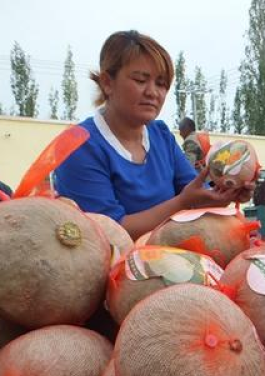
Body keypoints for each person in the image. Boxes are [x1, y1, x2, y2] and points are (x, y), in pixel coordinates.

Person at [55, 31, 252, 240]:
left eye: (161, 84)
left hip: (172, 259)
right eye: (140, 80)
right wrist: (182, 202)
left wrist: (226, 192)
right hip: (112, 268)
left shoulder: (161, 136)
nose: (153, 92)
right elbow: (110, 232)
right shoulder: (79, 146)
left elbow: (196, 196)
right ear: (107, 83)